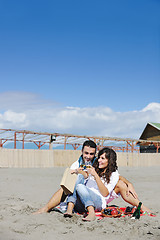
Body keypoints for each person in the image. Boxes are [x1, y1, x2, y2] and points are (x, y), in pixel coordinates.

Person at [33, 140, 142, 215]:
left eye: (91, 154)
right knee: (69, 184)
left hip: (97, 196)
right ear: (82, 152)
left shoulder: (98, 162)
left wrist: (129, 183)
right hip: (80, 194)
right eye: (86, 153)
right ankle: (48, 208)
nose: (88, 156)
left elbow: (115, 175)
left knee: (121, 184)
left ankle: (141, 206)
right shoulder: (76, 164)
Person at [64, 147, 151, 221]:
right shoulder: (95, 168)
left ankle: (91, 213)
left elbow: (105, 193)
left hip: (98, 201)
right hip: (83, 200)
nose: (99, 160)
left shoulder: (113, 174)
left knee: (80, 186)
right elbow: (85, 176)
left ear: (109, 161)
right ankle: (70, 208)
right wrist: (78, 171)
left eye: (102, 158)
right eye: (99, 158)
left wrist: (95, 176)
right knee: (78, 178)